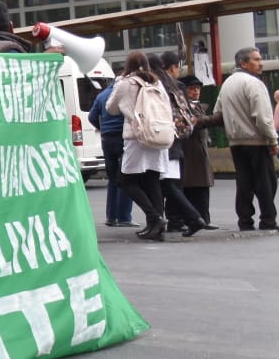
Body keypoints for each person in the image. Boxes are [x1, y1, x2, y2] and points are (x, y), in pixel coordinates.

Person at [211, 47, 279, 232]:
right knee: (266, 182)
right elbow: (263, 117)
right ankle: (268, 220)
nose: (261, 63)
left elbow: (217, 112)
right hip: (256, 140)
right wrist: (273, 139)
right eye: (256, 60)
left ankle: (245, 220)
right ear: (244, 63)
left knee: (244, 182)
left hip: (236, 142)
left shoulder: (227, 84)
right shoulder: (254, 83)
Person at [106, 51, 169, 240]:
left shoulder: (126, 83)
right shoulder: (157, 82)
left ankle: (154, 217)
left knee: (125, 180)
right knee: (152, 180)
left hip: (136, 136)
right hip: (156, 134)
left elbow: (111, 107)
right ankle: (157, 225)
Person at [154, 52, 207, 237]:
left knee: (163, 185)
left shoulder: (155, 85)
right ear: (172, 67)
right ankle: (179, 220)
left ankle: (175, 220)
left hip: (157, 139)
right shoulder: (177, 87)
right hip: (176, 139)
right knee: (172, 184)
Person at [86, 81, 134, 227]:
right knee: (126, 178)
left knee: (112, 179)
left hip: (107, 140)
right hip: (122, 138)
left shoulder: (101, 96)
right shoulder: (125, 93)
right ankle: (124, 217)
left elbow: (91, 116)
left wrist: (103, 128)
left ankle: (111, 217)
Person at [178, 75, 218, 229]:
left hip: (199, 151)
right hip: (189, 151)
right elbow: (197, 122)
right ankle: (193, 219)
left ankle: (204, 218)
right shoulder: (184, 106)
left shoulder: (198, 106)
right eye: (192, 89)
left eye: (197, 89)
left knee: (201, 187)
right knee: (191, 187)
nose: (195, 92)